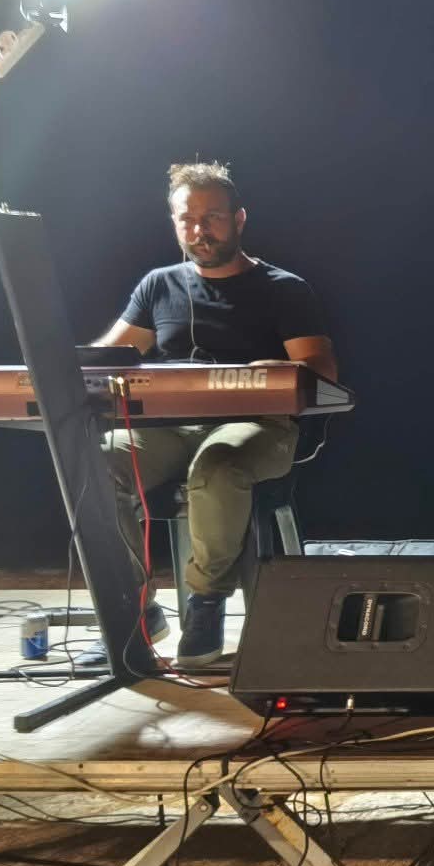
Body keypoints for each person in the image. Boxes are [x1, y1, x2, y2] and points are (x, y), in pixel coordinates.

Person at [93, 161, 337, 666]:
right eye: (187, 220)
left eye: (213, 218)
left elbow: (321, 369)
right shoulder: (158, 285)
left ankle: (205, 604)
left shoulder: (283, 288)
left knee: (218, 465)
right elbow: (108, 358)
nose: (199, 230)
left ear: (239, 219)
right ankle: (135, 608)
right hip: (171, 430)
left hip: (261, 428)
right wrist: (60, 366)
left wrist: (277, 370)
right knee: (93, 462)